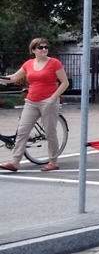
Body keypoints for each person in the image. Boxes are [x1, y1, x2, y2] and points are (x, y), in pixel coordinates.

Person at [0, 38, 69, 172]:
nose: (44, 49)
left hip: (49, 101)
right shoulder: (29, 64)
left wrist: (53, 98)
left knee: (50, 132)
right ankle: (15, 162)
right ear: (33, 50)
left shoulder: (54, 63)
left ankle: (53, 161)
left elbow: (65, 83)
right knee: (22, 131)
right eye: (40, 47)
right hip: (31, 101)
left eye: (46, 47)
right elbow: (13, 78)